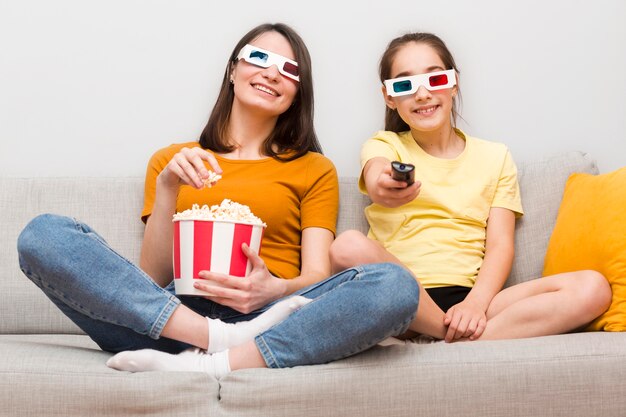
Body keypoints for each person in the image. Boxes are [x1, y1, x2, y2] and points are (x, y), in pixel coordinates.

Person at [17, 23, 419, 378]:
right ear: (233, 69)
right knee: (43, 235)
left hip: (269, 321)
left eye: (289, 69)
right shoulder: (173, 161)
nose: (271, 72)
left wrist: (273, 290)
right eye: (259, 57)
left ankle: (215, 361)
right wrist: (168, 187)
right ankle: (216, 339)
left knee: (396, 286)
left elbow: (316, 273)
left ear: (298, 92)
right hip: (169, 319)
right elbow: (151, 282)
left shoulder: (313, 169)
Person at [330, 32, 612, 343]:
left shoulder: (495, 156)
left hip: (472, 302)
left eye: (435, 79)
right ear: (389, 97)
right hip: (400, 296)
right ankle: (446, 333)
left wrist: (475, 305)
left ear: (454, 83)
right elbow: (376, 172)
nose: (422, 94)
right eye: (404, 84)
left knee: (593, 287)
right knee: (346, 246)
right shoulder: (384, 144)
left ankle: (450, 336)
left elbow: (501, 245)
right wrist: (382, 184)